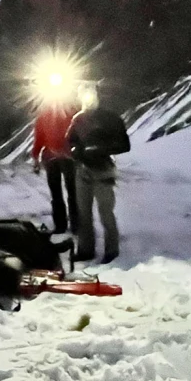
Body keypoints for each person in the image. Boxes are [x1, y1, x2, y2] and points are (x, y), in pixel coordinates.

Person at [67, 84, 130, 264]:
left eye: (90, 95)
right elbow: (71, 141)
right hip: (83, 170)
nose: (87, 99)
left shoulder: (110, 118)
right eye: (84, 95)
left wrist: (101, 149)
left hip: (103, 170)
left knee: (105, 212)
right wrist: (76, 150)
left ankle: (112, 250)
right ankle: (86, 250)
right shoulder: (78, 119)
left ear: (97, 96)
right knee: (83, 213)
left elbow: (125, 145)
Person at [31, 97, 80, 234]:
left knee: (59, 193)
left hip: (53, 157)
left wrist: (36, 158)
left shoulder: (44, 116)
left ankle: (62, 225)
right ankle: (75, 225)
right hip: (66, 157)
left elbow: (38, 139)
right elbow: (39, 138)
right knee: (71, 192)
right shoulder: (71, 113)